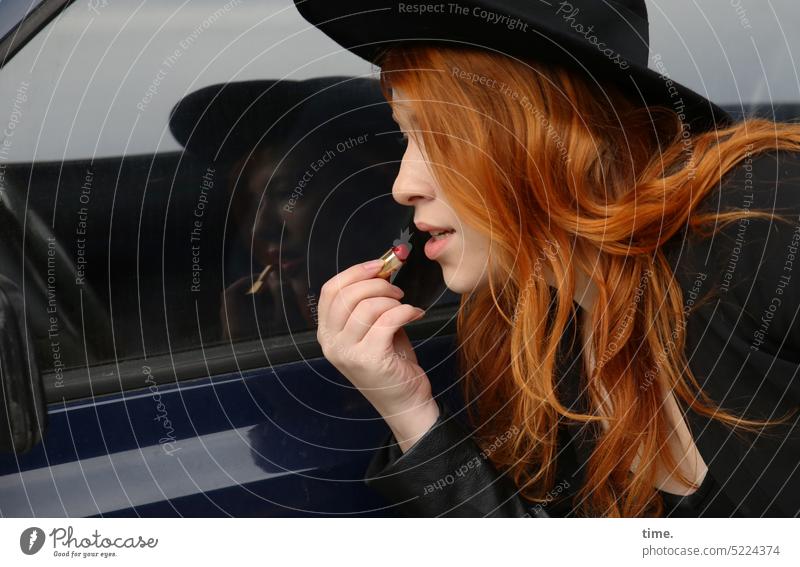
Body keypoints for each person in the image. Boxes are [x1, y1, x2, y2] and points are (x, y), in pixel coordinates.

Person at [300, 0, 800, 516]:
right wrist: (408, 410)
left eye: (437, 136)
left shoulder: (761, 219)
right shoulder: (538, 330)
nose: (403, 186)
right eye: (406, 138)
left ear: (545, 134)